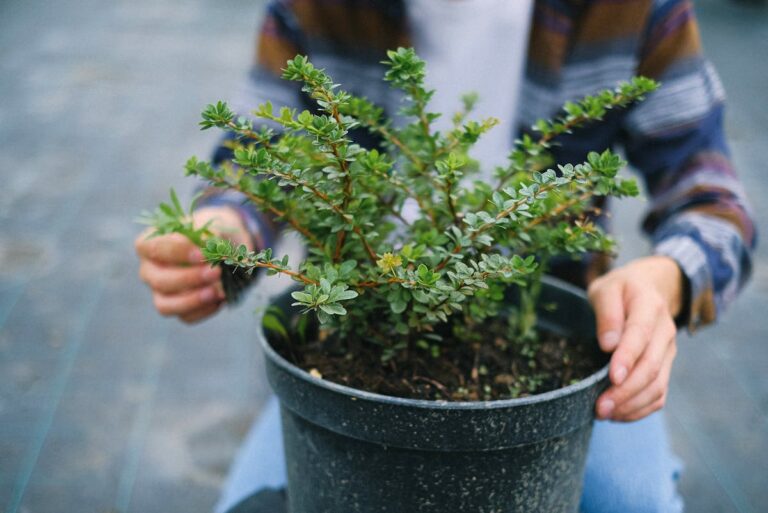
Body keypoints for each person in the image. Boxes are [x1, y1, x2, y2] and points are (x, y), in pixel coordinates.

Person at [135, 0, 756, 511]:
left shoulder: (633, 10)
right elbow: (255, 154)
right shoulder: (313, 8)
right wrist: (223, 230)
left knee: (632, 502)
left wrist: (666, 277)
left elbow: (713, 200)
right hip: (356, 326)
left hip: (552, 329)